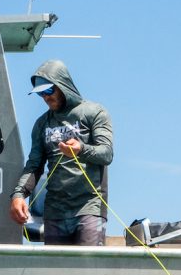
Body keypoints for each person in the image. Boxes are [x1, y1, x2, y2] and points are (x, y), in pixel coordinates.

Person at [9, 60, 113, 245]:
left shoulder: (94, 112)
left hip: (89, 207)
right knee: (55, 272)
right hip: (55, 212)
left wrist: (81, 149)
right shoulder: (42, 124)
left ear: (63, 86)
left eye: (49, 91)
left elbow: (106, 153)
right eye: (40, 94)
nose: (45, 98)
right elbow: (34, 166)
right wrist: (18, 195)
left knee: (88, 270)